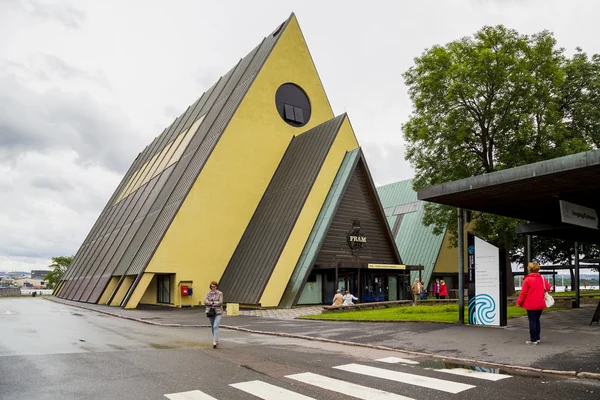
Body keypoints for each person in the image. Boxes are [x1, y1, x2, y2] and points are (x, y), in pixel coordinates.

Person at [516, 262, 551, 345]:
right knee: (537, 320)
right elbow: (548, 288)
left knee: (532, 321)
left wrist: (519, 302)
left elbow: (523, 293)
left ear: (529, 269)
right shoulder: (542, 278)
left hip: (530, 303)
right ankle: (537, 337)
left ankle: (533, 339)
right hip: (540, 303)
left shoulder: (528, 279)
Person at [204, 281, 223, 348]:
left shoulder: (220, 293)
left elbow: (220, 302)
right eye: (212, 286)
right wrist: (212, 303)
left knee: (215, 325)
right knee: (212, 326)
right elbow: (205, 301)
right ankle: (215, 339)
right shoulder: (208, 293)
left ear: (216, 287)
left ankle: (214, 341)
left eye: (214, 286)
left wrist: (212, 302)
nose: (213, 288)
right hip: (210, 311)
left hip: (218, 312)